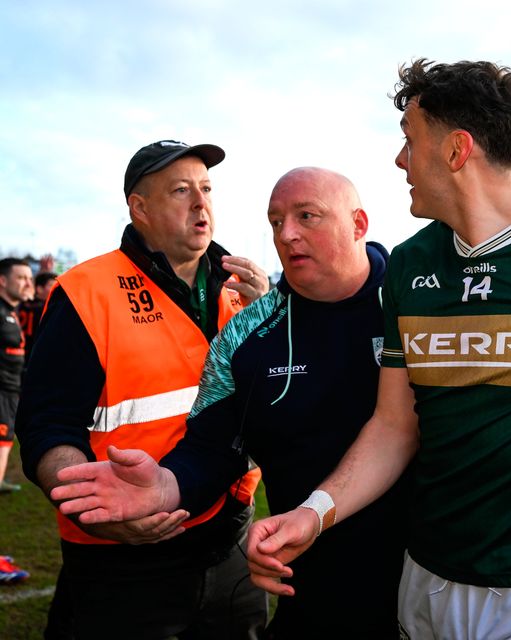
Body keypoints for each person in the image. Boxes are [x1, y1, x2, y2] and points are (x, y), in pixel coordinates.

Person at [240, 59, 511, 638]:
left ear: (456, 150)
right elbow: (395, 425)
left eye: (409, 141)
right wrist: (313, 515)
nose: (399, 160)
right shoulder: (412, 264)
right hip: (426, 574)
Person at [53, 167, 408, 638]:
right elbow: (214, 446)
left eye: (308, 216)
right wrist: (167, 484)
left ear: (358, 224)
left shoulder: (418, 304)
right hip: (310, 582)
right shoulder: (245, 334)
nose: (288, 234)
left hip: (433, 580)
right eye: (276, 221)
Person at [16, 139, 270, 639]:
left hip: (231, 539)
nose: (202, 204)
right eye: (181, 190)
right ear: (140, 207)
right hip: (125, 556)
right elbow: (46, 426)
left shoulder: (242, 290)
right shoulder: (87, 293)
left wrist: (272, 322)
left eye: (207, 189)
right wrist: (97, 513)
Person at [0, 258, 32, 493]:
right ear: (2, 280)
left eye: (29, 279)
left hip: (12, 389)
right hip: (2, 389)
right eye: (21, 278)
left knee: (6, 440)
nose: (27, 284)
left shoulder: (12, 310)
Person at [18, 270, 57, 365]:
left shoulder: (20, 303)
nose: (56, 288)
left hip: (19, 354)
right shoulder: (48, 308)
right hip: (32, 356)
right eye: (52, 285)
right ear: (39, 289)